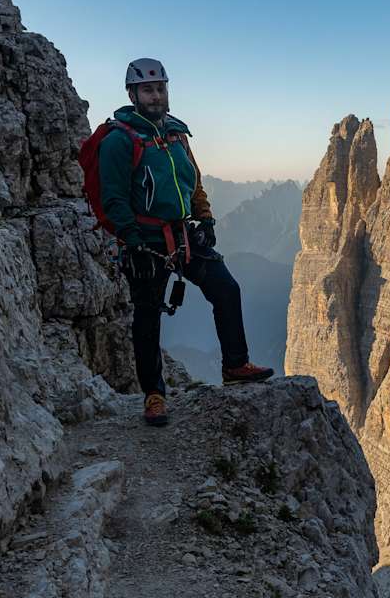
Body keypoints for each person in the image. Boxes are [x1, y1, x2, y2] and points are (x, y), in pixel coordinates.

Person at [97, 57, 273, 425]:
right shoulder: (119, 139)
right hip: (146, 240)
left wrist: (205, 216)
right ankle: (154, 395)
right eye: (148, 89)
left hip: (182, 235)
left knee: (225, 288)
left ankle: (235, 365)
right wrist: (132, 242)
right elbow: (112, 197)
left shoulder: (176, 134)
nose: (156, 95)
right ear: (133, 94)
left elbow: (193, 178)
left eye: (161, 88)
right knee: (147, 316)